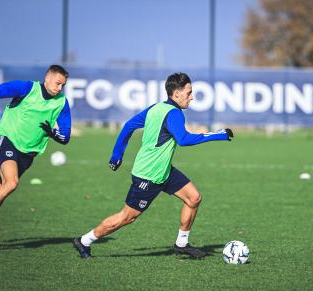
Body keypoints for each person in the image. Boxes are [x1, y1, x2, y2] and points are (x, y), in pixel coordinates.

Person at [72, 72, 233, 259]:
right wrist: (218, 135)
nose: (192, 97)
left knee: (193, 198)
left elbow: (128, 126)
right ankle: (84, 240)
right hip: (148, 175)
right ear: (177, 94)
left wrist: (117, 155)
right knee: (127, 217)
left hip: (163, 170)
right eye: (189, 93)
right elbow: (183, 139)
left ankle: (182, 244)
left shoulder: (156, 108)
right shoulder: (174, 113)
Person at [0, 65, 71, 242]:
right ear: (47, 79)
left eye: (63, 85)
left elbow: (65, 136)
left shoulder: (61, 102)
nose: (59, 88)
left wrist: (53, 133)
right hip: (8, 141)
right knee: (12, 182)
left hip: (27, 155)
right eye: (57, 83)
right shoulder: (26, 88)